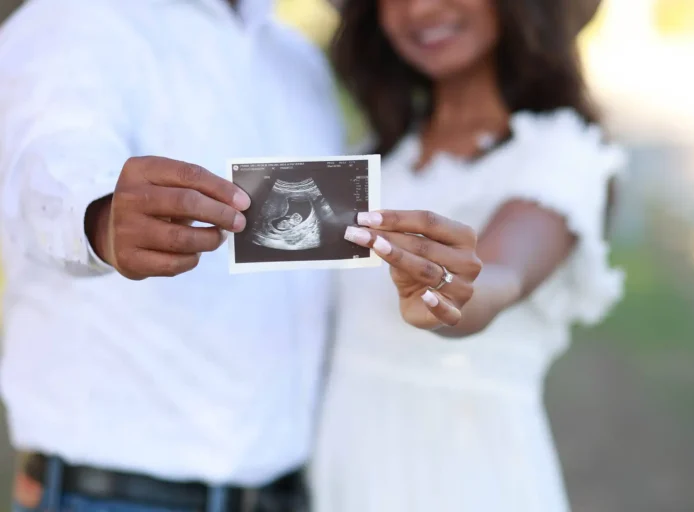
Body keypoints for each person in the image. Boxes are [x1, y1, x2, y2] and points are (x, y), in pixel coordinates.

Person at [0, 0, 482, 511]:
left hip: (288, 490)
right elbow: (41, 168)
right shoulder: (73, 20)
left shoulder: (299, 61)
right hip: (117, 493)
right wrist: (97, 218)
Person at [311, 0, 626, 511]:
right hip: (345, 468)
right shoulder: (381, 153)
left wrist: (449, 293)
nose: (419, 8)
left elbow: (500, 275)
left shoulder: (562, 152)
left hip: (462, 476)